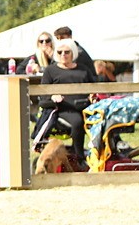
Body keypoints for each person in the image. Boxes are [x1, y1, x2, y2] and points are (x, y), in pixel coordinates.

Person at [36, 38, 96, 169]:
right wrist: (53, 96)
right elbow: (43, 95)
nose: (63, 54)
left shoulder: (84, 70)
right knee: (78, 121)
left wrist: (93, 95)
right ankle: (78, 157)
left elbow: (94, 87)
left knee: (103, 119)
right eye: (60, 52)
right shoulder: (50, 71)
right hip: (63, 109)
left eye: (67, 52)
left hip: (86, 106)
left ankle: (107, 152)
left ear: (73, 53)